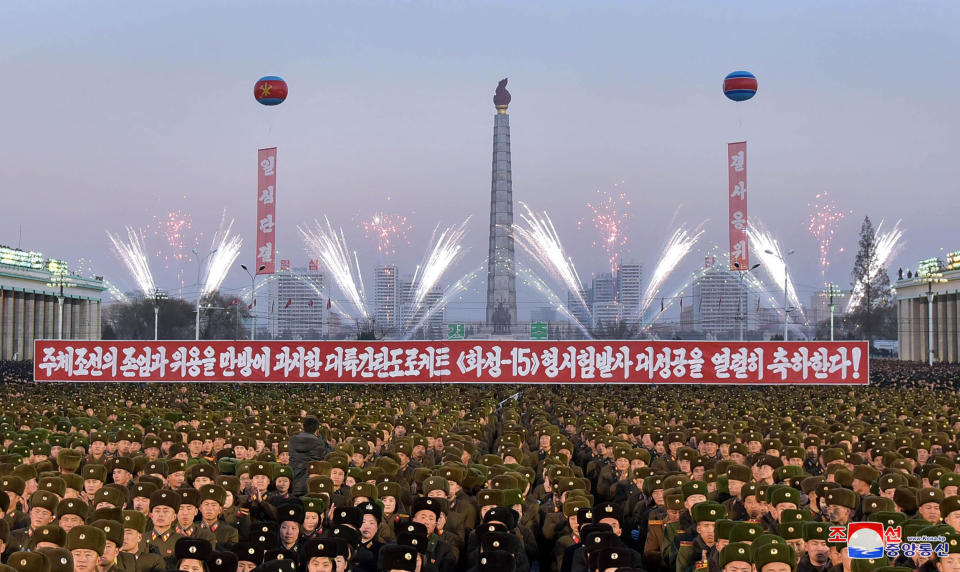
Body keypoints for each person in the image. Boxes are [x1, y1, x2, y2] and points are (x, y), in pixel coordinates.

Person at [290, 417, 332, 498]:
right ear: (317, 430)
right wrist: (321, 439)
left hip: (294, 482)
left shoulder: (292, 440)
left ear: (303, 427)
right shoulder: (319, 443)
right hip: (309, 483)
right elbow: (329, 453)